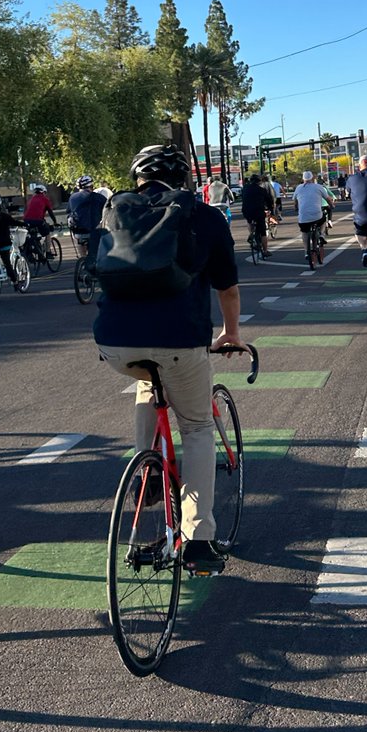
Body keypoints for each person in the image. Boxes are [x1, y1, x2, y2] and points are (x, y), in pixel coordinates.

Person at [93, 143, 243, 576]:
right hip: (180, 340)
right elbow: (227, 290)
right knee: (196, 427)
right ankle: (198, 539)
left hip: (115, 343)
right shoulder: (203, 215)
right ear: (185, 178)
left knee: (146, 379)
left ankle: (148, 470)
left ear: (137, 178)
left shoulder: (112, 212)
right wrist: (231, 333)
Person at [294, 171, 335, 265]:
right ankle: (321, 235)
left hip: (303, 217)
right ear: (313, 178)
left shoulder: (298, 188)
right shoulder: (318, 187)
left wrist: (296, 208)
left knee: (304, 232)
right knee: (322, 221)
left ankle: (306, 252)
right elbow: (328, 199)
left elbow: (295, 201)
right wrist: (331, 205)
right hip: (317, 215)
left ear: (303, 179)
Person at [66, 175, 107, 256]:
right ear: (91, 185)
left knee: (80, 242)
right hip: (93, 231)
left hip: (77, 231)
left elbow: (68, 211)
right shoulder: (98, 197)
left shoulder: (72, 197)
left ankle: (82, 260)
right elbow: (107, 209)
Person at [240, 173, 274, 258]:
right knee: (263, 232)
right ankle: (265, 251)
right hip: (258, 212)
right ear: (259, 182)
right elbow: (269, 200)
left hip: (247, 211)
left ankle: (251, 233)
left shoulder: (245, 189)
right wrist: (270, 209)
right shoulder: (261, 190)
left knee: (249, 220)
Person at [23, 183, 58, 250]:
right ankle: (48, 252)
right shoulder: (45, 199)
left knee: (32, 234)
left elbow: (26, 211)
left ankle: (35, 246)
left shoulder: (30, 200)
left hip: (26, 220)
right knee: (47, 233)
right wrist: (55, 222)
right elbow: (50, 212)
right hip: (37, 220)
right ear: (44, 192)